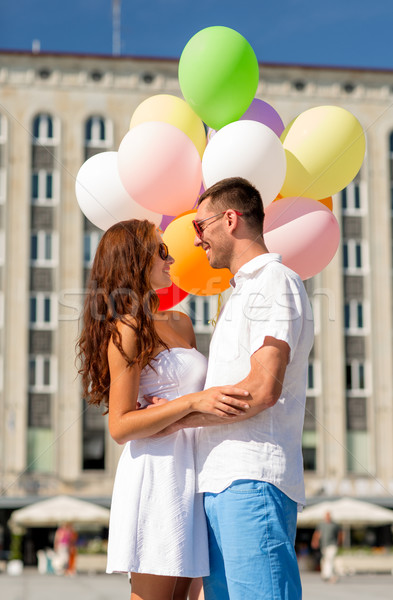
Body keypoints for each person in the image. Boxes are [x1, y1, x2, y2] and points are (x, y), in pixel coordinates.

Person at [152, 177, 314, 599]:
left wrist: (176, 419)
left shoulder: (274, 281)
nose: (197, 239)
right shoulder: (240, 293)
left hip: (253, 479)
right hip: (221, 482)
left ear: (230, 219)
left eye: (200, 226)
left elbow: (262, 388)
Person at [76, 219, 250, 600]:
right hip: (157, 474)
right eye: (161, 249)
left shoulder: (183, 322)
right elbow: (121, 426)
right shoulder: (127, 327)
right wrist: (188, 402)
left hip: (196, 472)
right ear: (135, 259)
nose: (171, 257)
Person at [311, 511, 342, 582]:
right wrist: (315, 541)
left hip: (332, 544)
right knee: (325, 559)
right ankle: (328, 574)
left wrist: (339, 542)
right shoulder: (321, 524)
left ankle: (327, 575)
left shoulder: (335, 525)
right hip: (324, 545)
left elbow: (340, 533)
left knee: (329, 559)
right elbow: (317, 533)